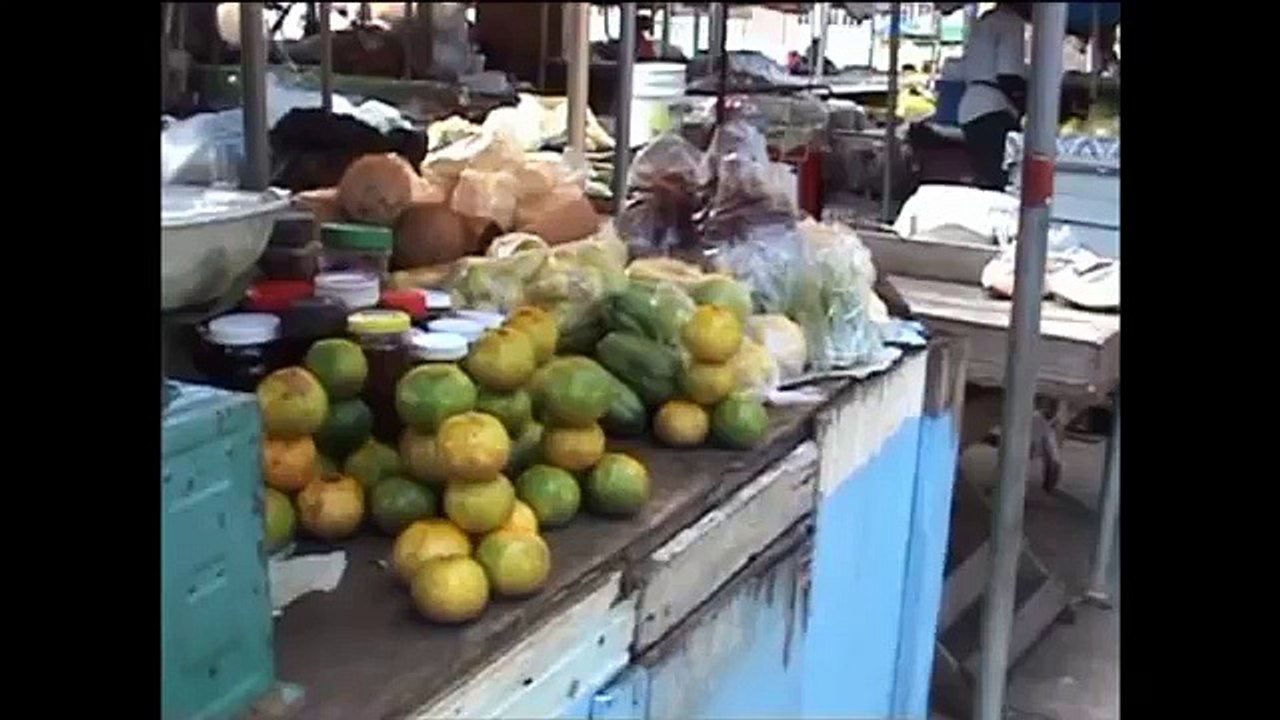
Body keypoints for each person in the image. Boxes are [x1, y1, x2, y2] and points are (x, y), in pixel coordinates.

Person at [957, 2, 1031, 190]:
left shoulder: (985, 22)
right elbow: (1008, 76)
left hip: (971, 109)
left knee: (987, 178)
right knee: (1004, 180)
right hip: (993, 109)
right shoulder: (1011, 23)